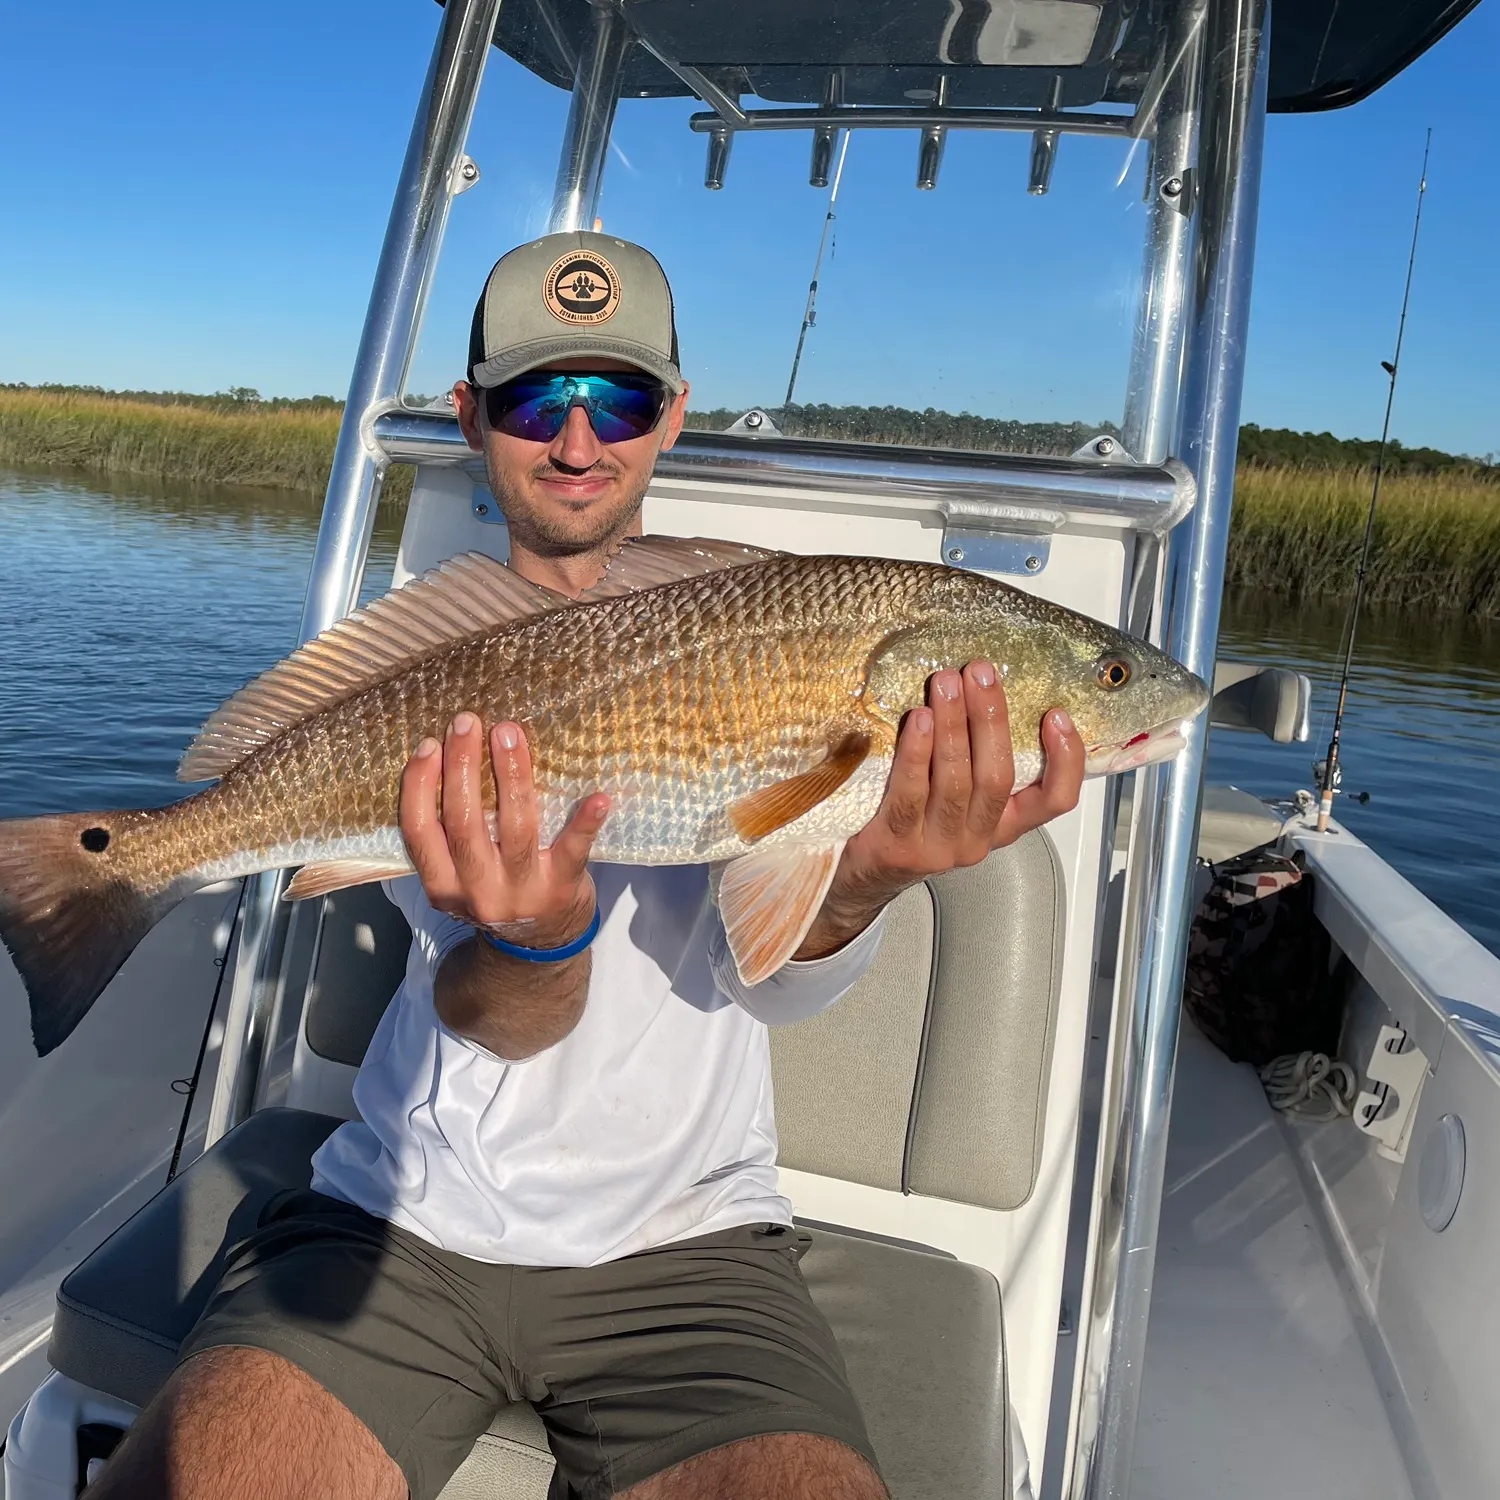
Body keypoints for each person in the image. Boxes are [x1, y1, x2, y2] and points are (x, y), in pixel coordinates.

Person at [91, 232, 1085, 1500]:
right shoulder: (441, 681)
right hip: (405, 1217)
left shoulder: (774, 625)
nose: (577, 441)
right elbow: (490, 1021)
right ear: (471, 417)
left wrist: (874, 870)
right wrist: (537, 940)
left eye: (616, 400)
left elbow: (768, 975)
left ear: (669, 417)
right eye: (532, 399)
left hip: (697, 1251)